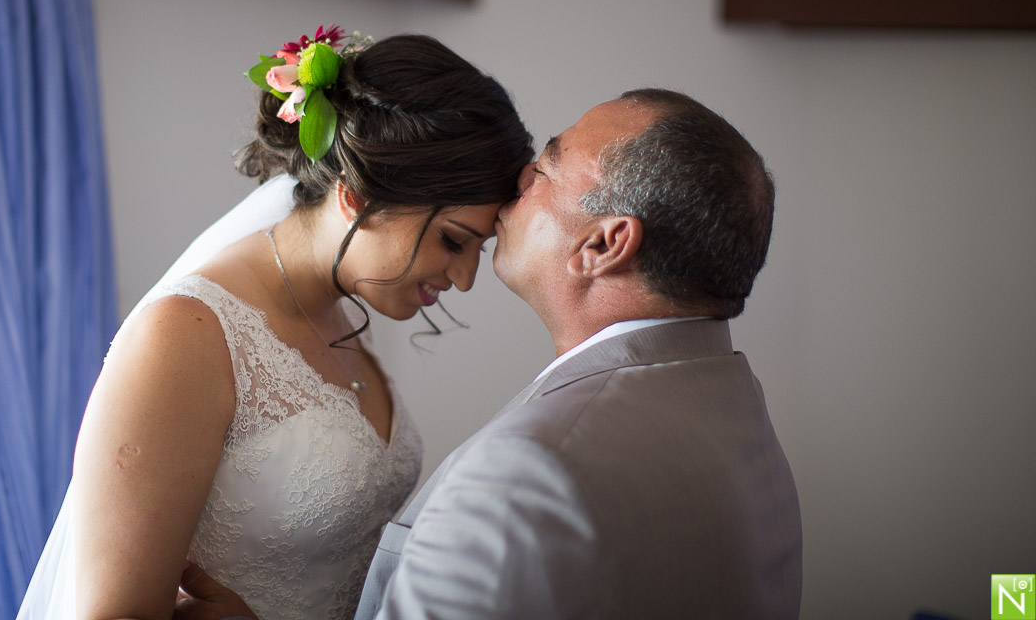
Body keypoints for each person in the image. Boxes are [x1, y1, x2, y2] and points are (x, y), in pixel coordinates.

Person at [173, 88, 802, 618]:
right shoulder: (739, 416)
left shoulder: (527, 474)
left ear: (606, 243)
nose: (516, 183)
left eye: (546, 169)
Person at [15, 29, 534, 620]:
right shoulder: (185, 334)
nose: (465, 279)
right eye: (453, 242)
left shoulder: (339, 314)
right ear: (357, 196)